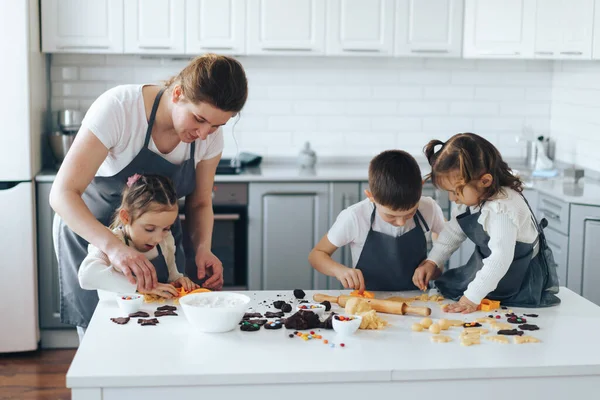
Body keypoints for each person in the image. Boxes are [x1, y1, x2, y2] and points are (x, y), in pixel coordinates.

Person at [50, 53, 248, 331]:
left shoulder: (208, 137)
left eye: (217, 125)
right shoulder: (120, 109)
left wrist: (203, 248)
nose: (205, 134)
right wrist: (115, 248)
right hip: (93, 235)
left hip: (158, 237)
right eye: (200, 119)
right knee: (103, 328)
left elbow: (200, 203)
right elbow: (62, 193)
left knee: (162, 319)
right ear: (177, 93)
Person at [412, 133, 560, 313]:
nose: (452, 198)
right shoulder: (474, 199)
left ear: (485, 181)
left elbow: (500, 258)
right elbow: (453, 232)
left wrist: (471, 298)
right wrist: (433, 261)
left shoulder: (502, 209)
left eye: (457, 192)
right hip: (489, 273)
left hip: (518, 281)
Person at [308, 150, 445, 292]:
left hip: (417, 299)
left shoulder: (429, 208)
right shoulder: (355, 216)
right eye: (390, 216)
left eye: (410, 213)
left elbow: (444, 245)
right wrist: (339, 270)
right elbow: (317, 255)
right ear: (371, 196)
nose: (401, 222)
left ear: (421, 188)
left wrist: (433, 265)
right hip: (368, 303)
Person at [79, 174, 198, 298]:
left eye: (166, 228)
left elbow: (171, 276)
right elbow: (86, 276)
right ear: (126, 217)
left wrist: (178, 280)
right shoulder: (111, 241)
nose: (158, 238)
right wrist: (139, 287)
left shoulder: (166, 240)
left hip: (156, 314)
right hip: (116, 315)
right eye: (149, 229)